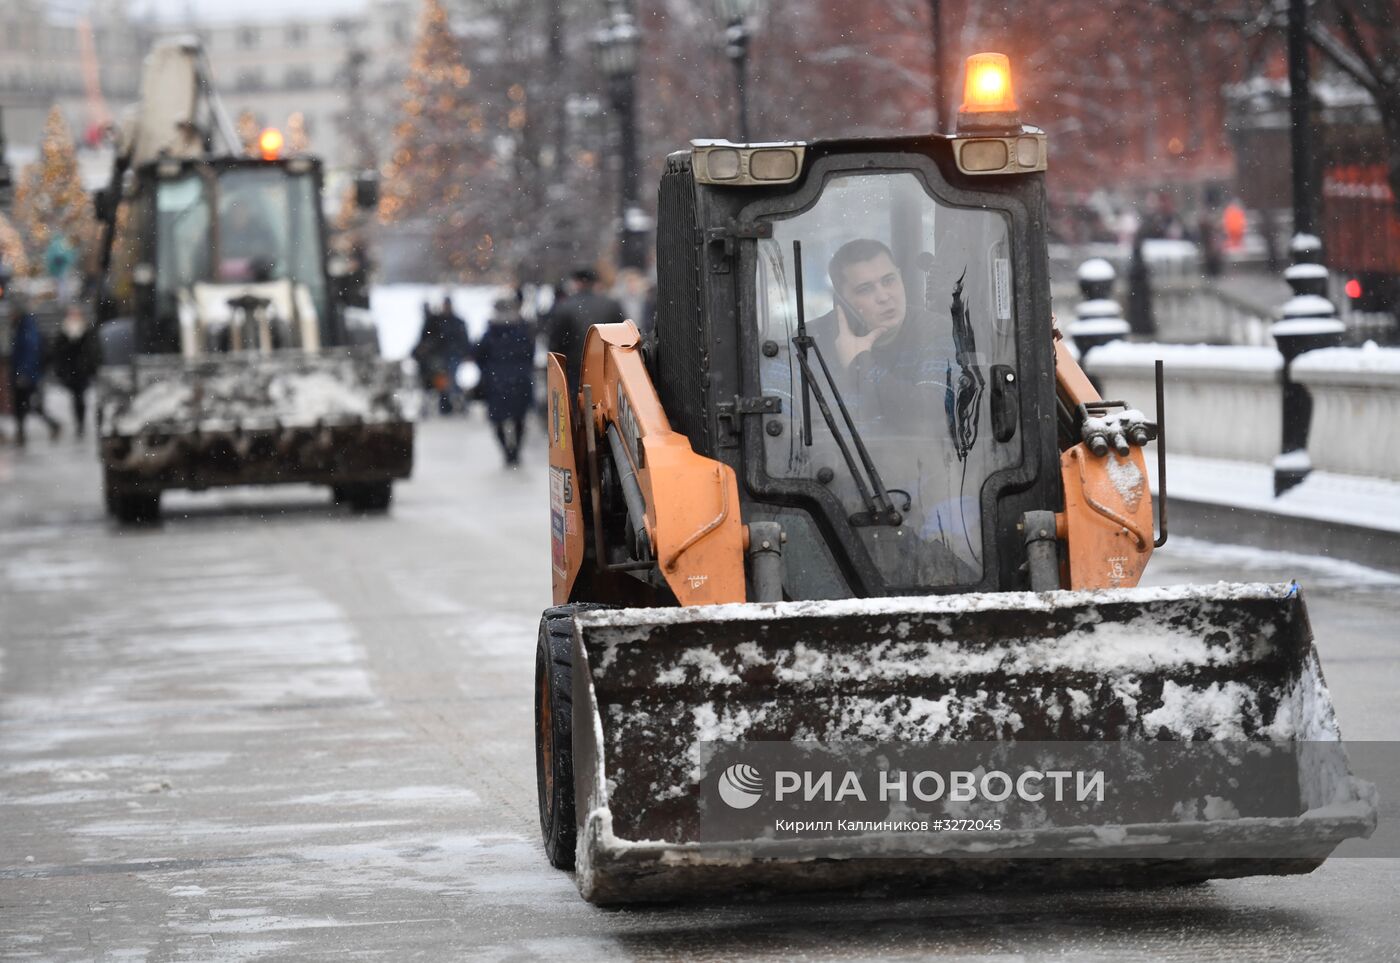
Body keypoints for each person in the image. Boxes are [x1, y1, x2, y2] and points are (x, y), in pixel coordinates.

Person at [808, 238, 957, 433]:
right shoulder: (811, 341)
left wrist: (860, 364)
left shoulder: (935, 330)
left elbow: (934, 416)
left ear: (901, 278)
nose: (884, 297)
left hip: (920, 463)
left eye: (889, 281)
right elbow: (779, 427)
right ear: (841, 301)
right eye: (865, 289)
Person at [475, 296, 536, 466]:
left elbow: (479, 354)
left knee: (497, 419)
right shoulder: (523, 329)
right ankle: (515, 451)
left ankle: (506, 452)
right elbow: (530, 352)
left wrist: (488, 370)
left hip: (496, 380)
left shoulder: (491, 331)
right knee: (520, 417)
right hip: (520, 379)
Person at [546, 267, 624, 388]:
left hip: (576, 367)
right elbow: (622, 336)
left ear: (576, 283)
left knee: (579, 402)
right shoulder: (611, 305)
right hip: (605, 367)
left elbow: (556, 342)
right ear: (595, 283)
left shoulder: (565, 306)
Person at [9, 300, 61, 445]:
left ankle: (49, 425)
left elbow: (30, 353)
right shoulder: (22, 326)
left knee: (28, 404)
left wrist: (23, 373)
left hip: (27, 376)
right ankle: (21, 432)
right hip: (25, 374)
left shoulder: (26, 328)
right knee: (24, 405)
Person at [49, 305, 100, 438]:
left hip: (81, 371)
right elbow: (58, 352)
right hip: (71, 370)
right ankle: (79, 422)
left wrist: (89, 366)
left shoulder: (86, 331)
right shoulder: (64, 332)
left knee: (80, 398)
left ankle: (81, 423)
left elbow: (91, 352)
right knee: (76, 398)